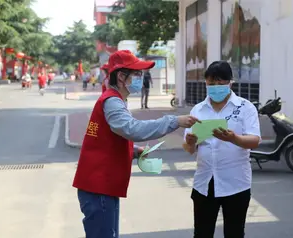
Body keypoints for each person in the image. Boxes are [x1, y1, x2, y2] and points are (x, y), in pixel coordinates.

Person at [73, 50, 200, 238]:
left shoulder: (114, 100)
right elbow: (133, 129)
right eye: (137, 74)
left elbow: (109, 137)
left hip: (101, 186)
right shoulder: (112, 102)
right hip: (98, 187)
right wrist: (174, 121)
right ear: (122, 76)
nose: (141, 77)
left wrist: (133, 150)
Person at [183, 61, 261, 238]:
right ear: (206, 83)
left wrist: (234, 138)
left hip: (235, 182)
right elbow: (189, 149)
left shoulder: (245, 107)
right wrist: (190, 141)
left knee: (234, 233)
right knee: (202, 233)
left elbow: (255, 140)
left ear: (230, 83)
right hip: (204, 183)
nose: (215, 87)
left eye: (220, 83)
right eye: (211, 84)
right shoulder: (198, 109)